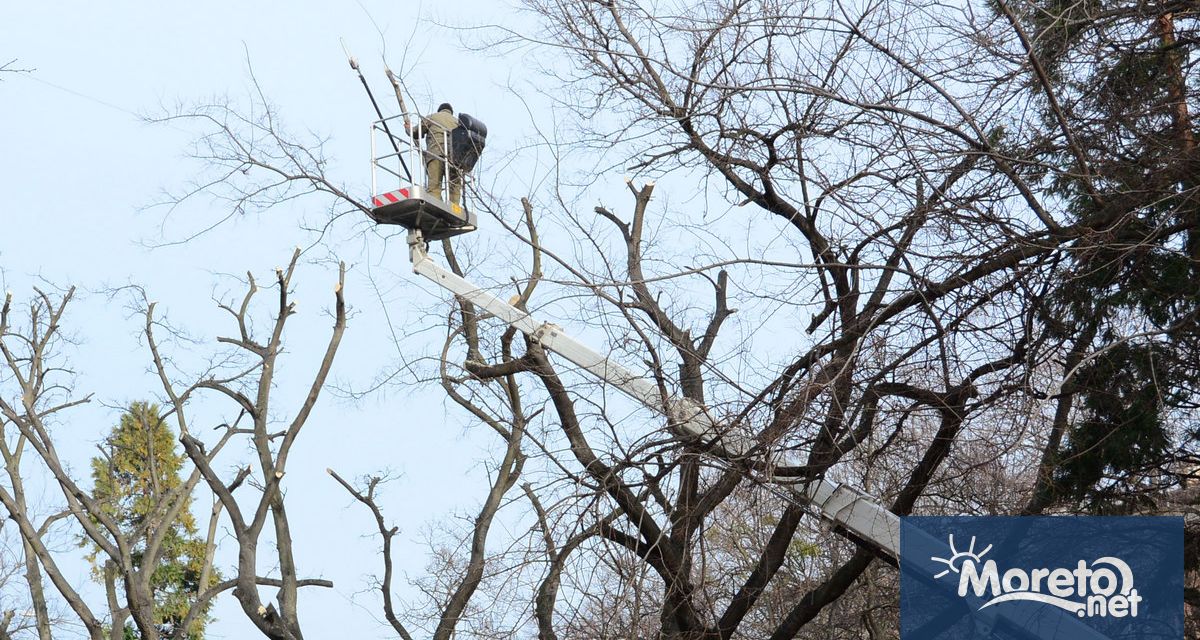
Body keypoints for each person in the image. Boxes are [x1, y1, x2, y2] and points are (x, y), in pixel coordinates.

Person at [408, 102, 462, 206]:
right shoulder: (458, 123)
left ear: (440, 110)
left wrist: (408, 128)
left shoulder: (433, 117)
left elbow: (415, 132)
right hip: (455, 158)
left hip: (436, 153)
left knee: (434, 187)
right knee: (455, 187)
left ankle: (434, 205)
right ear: (451, 112)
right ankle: (455, 208)